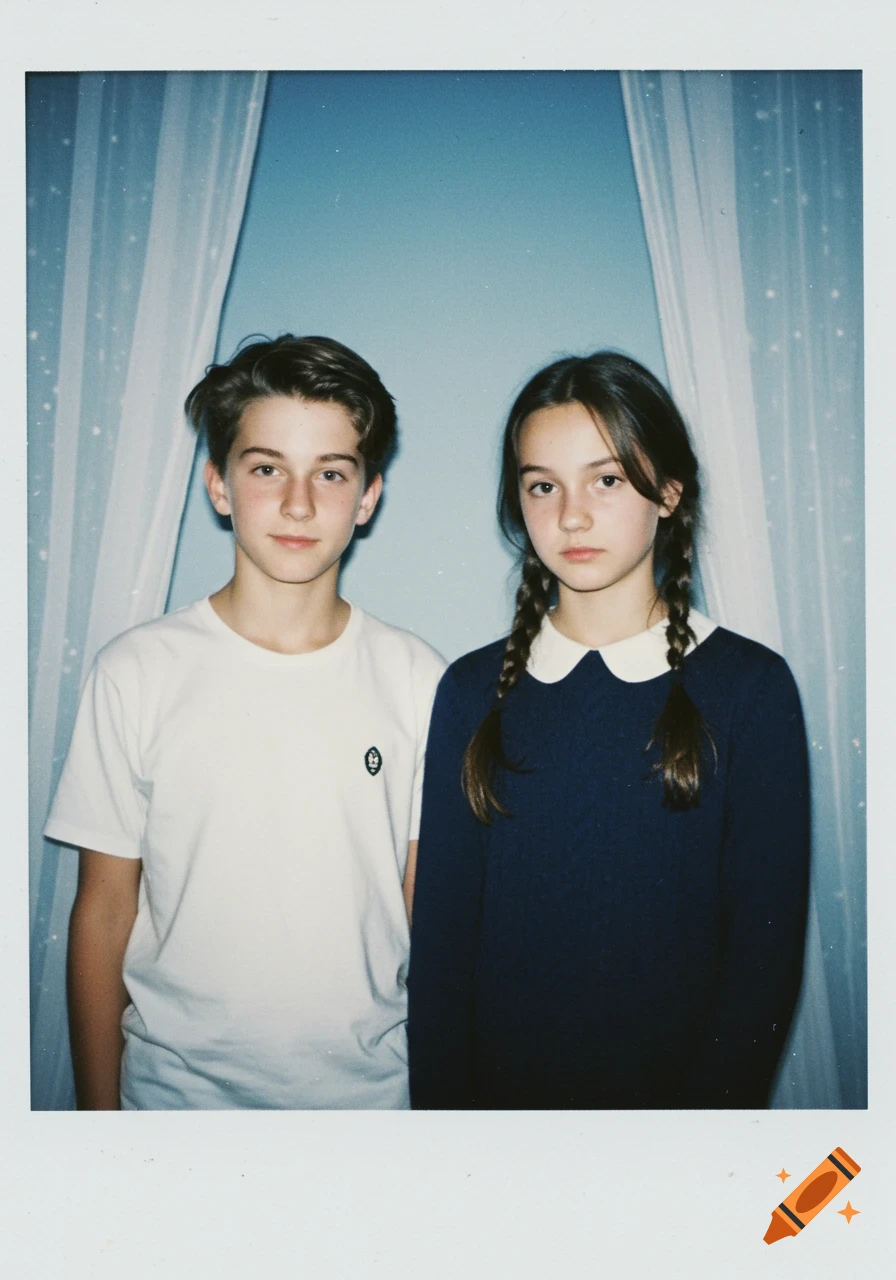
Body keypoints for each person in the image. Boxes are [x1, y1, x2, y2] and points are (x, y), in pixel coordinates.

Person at [45, 334, 445, 1110]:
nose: (299, 503)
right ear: (218, 485)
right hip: (174, 1106)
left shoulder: (419, 680)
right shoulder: (137, 672)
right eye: (267, 468)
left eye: (331, 473)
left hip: (370, 1109)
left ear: (367, 497)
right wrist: (97, 1126)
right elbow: (103, 911)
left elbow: (424, 916)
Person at [407, 350, 809, 1109]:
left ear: (669, 493)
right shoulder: (469, 692)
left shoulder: (750, 689)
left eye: (608, 479)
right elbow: (441, 957)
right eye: (542, 486)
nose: (572, 515)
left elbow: (763, 964)